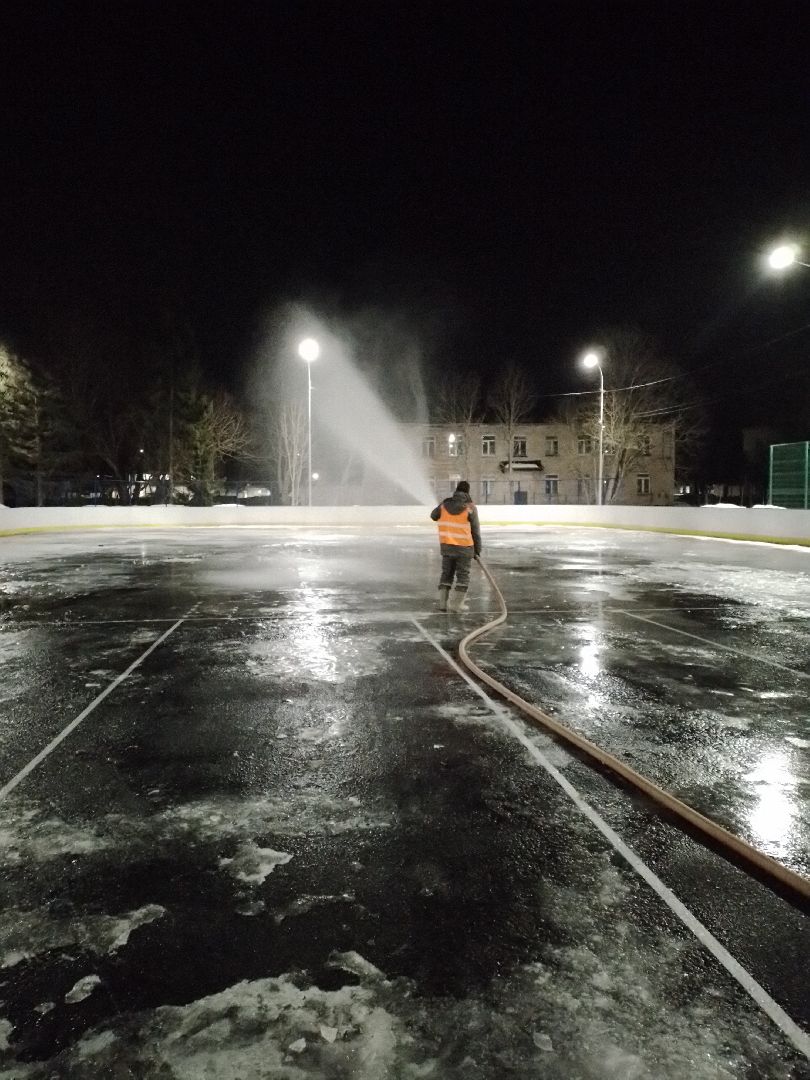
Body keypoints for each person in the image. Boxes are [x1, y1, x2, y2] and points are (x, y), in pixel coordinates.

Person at [430, 480, 482, 612]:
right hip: (464, 549)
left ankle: (443, 605)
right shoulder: (470, 508)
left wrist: (443, 503)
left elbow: (433, 516)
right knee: (463, 576)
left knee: (446, 574)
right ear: (467, 492)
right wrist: (477, 550)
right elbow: (475, 531)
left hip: (447, 547)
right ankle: (456, 606)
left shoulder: (444, 505)